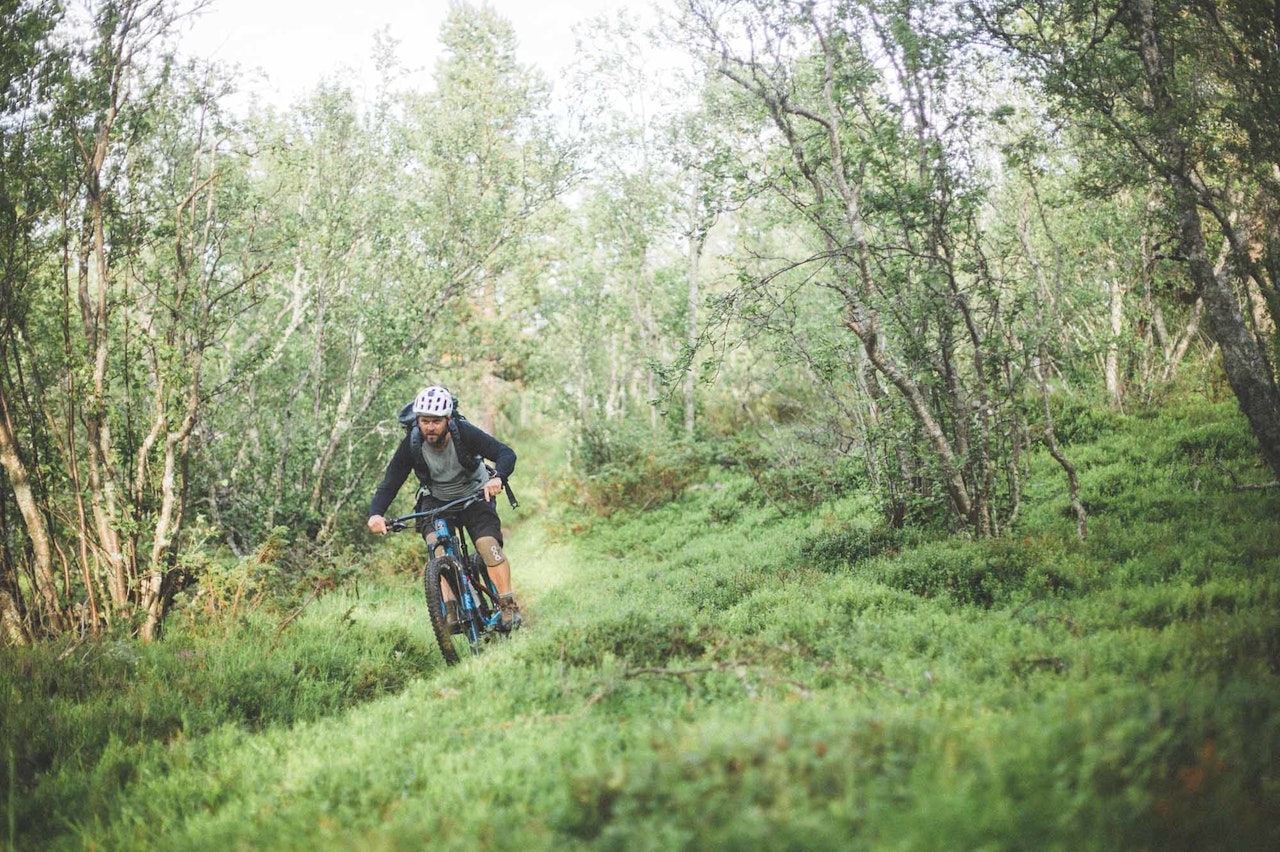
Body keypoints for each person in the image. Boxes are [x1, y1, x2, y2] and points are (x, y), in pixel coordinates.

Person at [367, 385, 522, 629]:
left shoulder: (464, 433)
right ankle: (450, 611)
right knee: (437, 549)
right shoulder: (412, 443)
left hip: (474, 494)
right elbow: (391, 482)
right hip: (436, 500)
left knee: (486, 545)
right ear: (417, 420)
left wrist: (498, 477)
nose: (429, 427)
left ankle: (508, 607)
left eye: (436, 421)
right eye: (424, 421)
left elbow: (505, 453)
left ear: (448, 420)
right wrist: (376, 514)